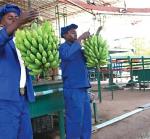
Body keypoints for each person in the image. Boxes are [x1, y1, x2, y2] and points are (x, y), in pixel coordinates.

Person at [0, 4, 38, 139]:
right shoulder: (3, 38)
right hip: (5, 100)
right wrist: (19, 21)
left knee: (26, 135)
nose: (15, 20)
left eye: (17, 18)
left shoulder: (21, 41)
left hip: (23, 97)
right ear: (1, 22)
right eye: (10, 18)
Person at [59, 24, 92, 139]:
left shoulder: (78, 49)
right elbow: (67, 56)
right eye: (71, 32)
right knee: (75, 120)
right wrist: (80, 38)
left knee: (86, 120)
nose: (75, 33)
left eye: (76, 32)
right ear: (64, 35)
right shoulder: (63, 47)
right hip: (72, 88)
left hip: (83, 88)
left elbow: (87, 64)